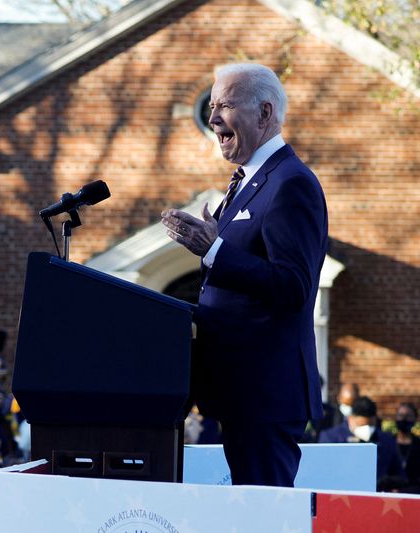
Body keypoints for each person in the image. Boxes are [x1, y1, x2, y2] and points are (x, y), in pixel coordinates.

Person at [161, 62, 327, 487]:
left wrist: (213, 250)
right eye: (212, 106)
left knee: (264, 517)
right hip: (238, 392)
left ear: (265, 114)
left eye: (226, 105)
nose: (213, 117)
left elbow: (294, 286)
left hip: (265, 395)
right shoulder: (246, 182)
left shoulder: (290, 183)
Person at [319, 396, 404, 482]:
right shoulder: (331, 438)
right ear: (350, 419)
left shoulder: (386, 440)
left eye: (370, 425)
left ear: (375, 419)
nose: (366, 429)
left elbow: (399, 475)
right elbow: (324, 473)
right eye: (361, 425)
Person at [394, 402, 420, 490]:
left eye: (408, 416)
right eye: (400, 415)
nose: (404, 419)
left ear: (415, 419)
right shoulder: (389, 442)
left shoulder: (418, 444)